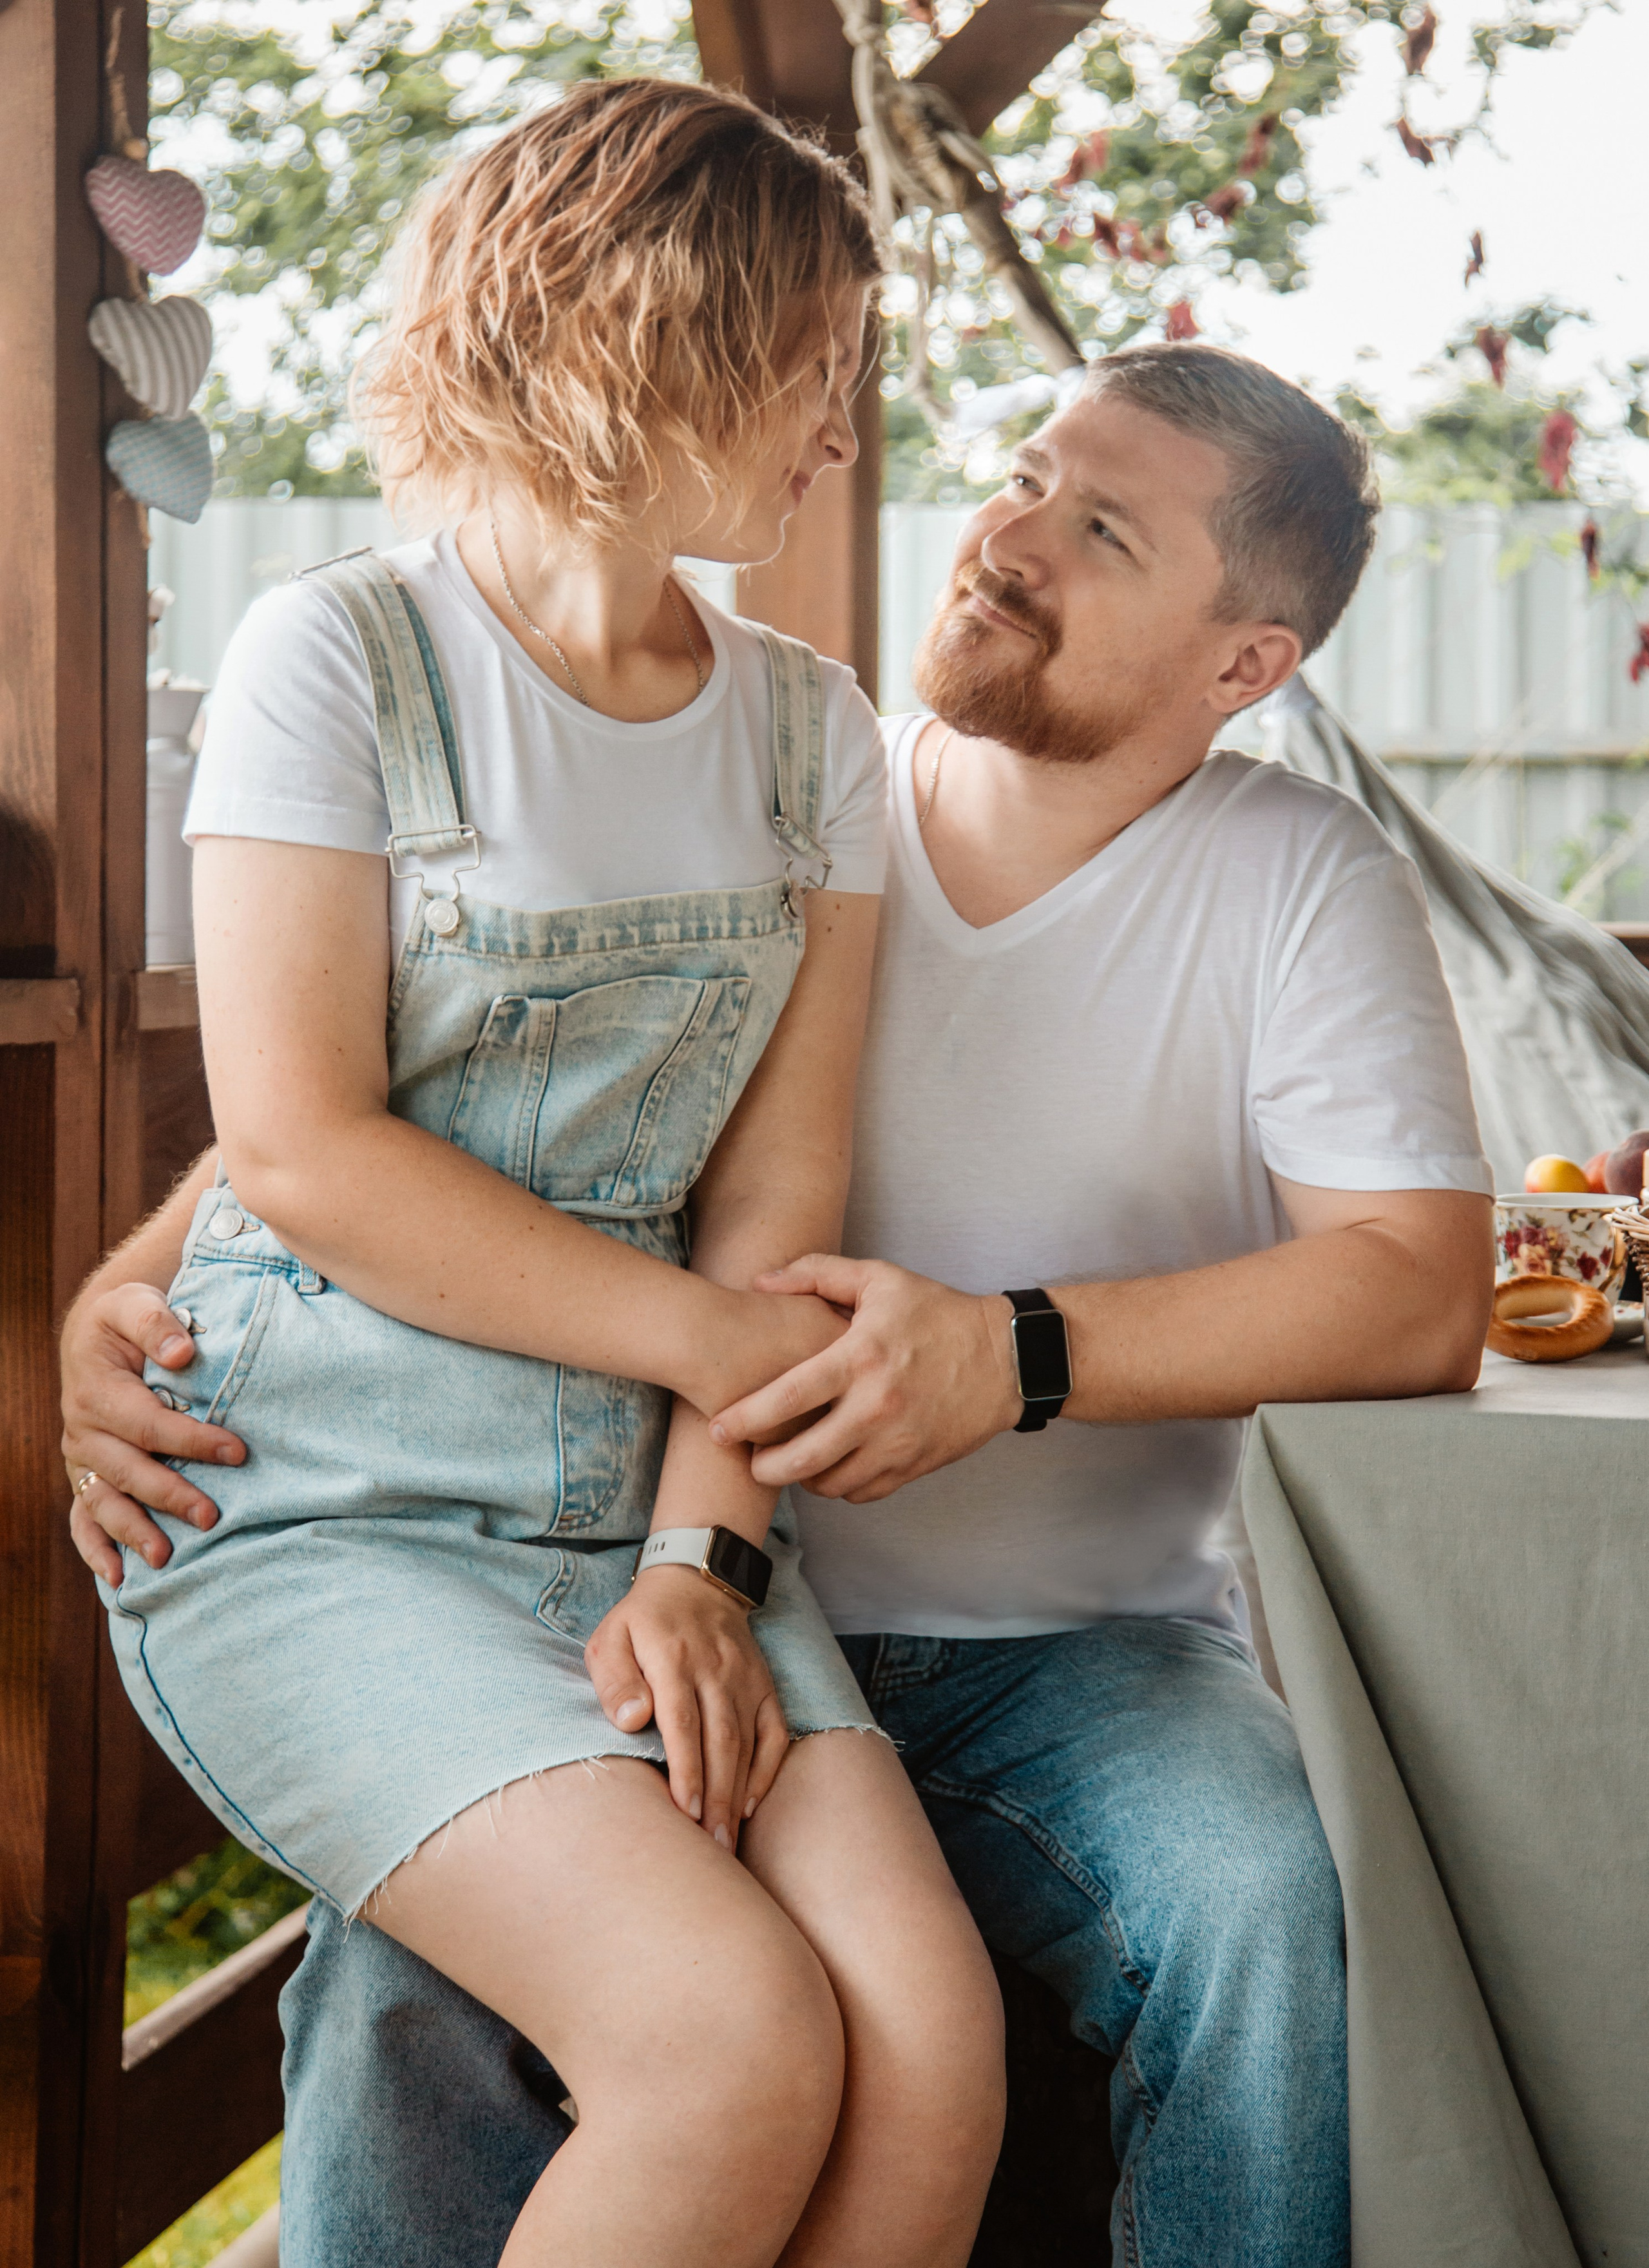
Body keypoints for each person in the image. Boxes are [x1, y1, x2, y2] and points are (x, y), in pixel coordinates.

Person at [65, 342, 1495, 2268]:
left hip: (1076, 1652)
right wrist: (143, 1281)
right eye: (1020, 475)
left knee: (1266, 1910)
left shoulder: (1298, 880)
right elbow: (427, 1088)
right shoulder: (786, 769)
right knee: (409, 1990)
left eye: (1099, 529)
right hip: (612, 1577)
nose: (1003, 541)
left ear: (1246, 662)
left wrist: (1016, 1356)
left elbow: (1418, 1294)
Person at [69, 77, 1007, 2268]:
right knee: (727, 2039)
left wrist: (706, 1560)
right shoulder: (345, 660)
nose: (837, 433)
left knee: (928, 2053)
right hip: (311, 1510)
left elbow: (776, 1213)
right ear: (647, 339)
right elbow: (305, 1152)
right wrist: (733, 1347)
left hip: (656, 1511)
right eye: (811, 369)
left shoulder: (812, 734)